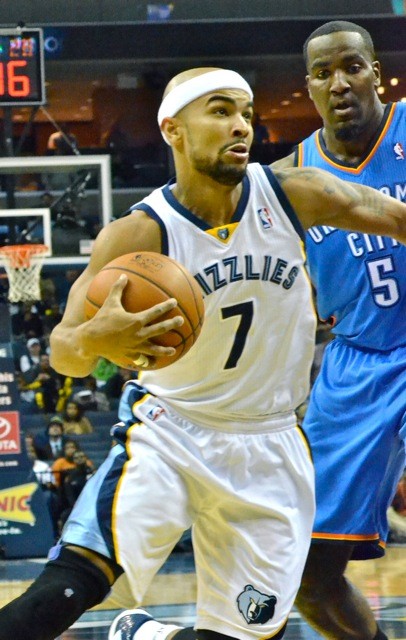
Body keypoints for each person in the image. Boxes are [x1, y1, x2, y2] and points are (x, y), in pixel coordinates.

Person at [0, 66, 405, 640]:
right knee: (64, 591)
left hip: (271, 445)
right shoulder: (138, 233)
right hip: (170, 432)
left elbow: (394, 218)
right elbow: (65, 351)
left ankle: (146, 634)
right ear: (173, 128)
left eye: (245, 113)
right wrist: (94, 340)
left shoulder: (295, 195)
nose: (240, 125)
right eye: (220, 111)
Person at [269, 20, 406, 640]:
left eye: (352, 66)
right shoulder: (287, 180)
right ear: (309, 89)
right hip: (357, 365)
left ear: (377, 72)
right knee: (306, 574)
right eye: (323, 73)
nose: (340, 82)